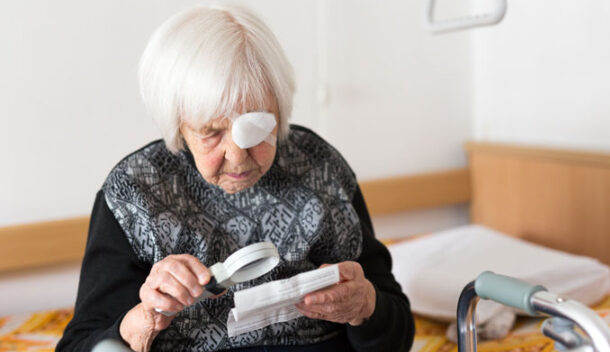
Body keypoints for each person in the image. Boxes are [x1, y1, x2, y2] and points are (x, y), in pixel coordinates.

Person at [56, 4, 414, 352]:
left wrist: (367, 306)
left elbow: (398, 332)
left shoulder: (321, 168)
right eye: (212, 132)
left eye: (256, 127)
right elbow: (81, 344)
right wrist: (144, 319)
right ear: (178, 123)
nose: (238, 155)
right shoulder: (134, 193)